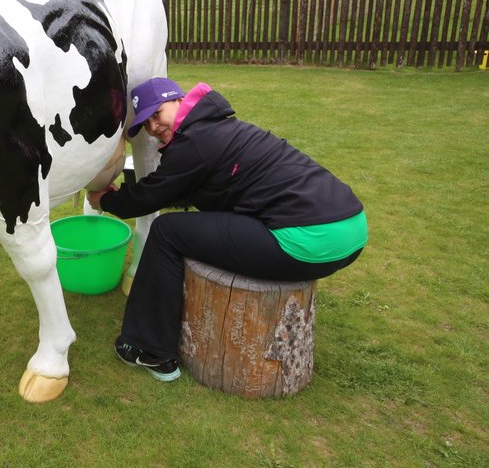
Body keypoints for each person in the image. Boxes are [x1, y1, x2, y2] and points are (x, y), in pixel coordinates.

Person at [87, 77, 367, 382]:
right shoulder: (219, 128)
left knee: (166, 232)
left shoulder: (193, 143)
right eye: (146, 124)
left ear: (179, 101)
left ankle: (148, 349)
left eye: (157, 114)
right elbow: (190, 189)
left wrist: (108, 200)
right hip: (351, 229)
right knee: (190, 224)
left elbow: (149, 197)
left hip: (306, 241)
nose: (154, 127)